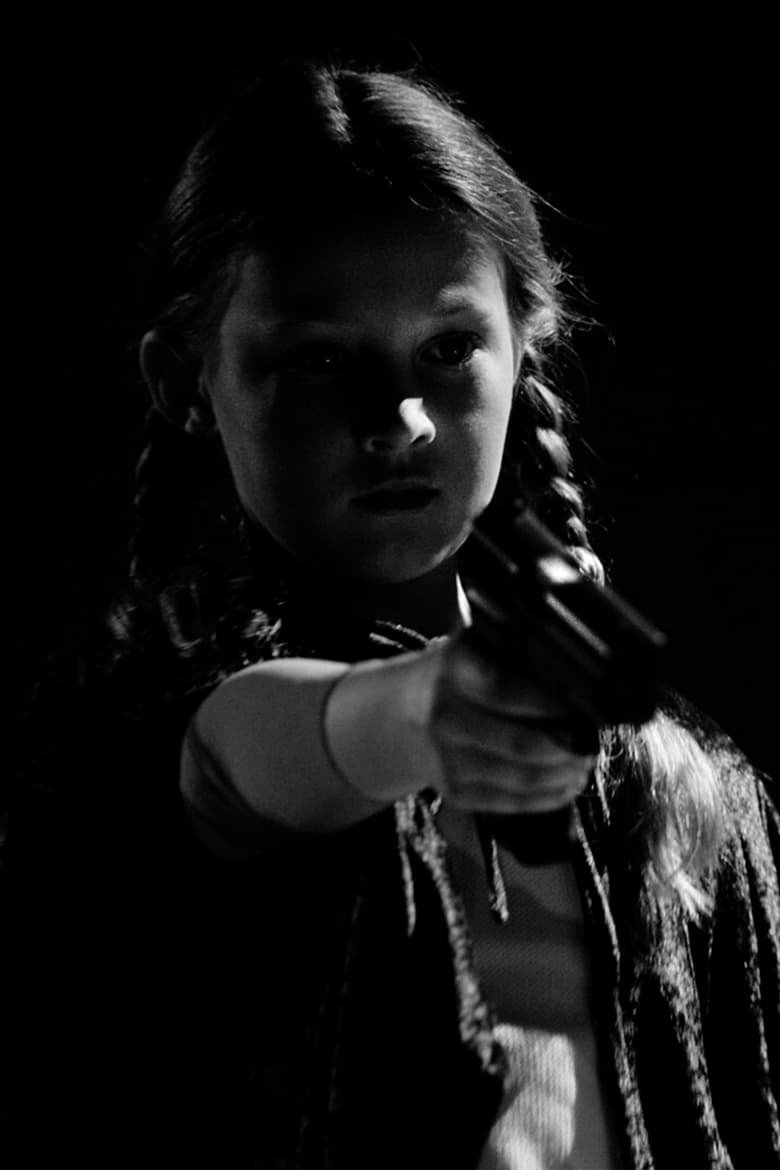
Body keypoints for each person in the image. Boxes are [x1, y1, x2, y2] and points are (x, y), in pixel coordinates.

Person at [2, 57, 779, 1170]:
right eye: (321, 358)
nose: (401, 417)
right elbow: (252, 746)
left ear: (526, 343)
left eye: (450, 348)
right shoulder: (138, 729)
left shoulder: (672, 774)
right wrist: (424, 707)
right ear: (182, 380)